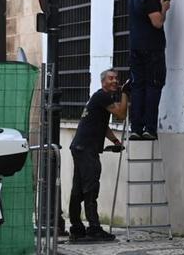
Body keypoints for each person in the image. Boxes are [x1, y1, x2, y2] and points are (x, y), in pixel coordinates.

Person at [68, 69, 129, 242]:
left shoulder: (100, 98)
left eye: (116, 79)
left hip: (80, 147)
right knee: (90, 188)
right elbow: (121, 114)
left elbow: (103, 125)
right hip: (86, 149)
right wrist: (125, 94)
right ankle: (94, 228)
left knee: (78, 190)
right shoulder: (103, 96)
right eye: (111, 78)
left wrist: (115, 141)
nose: (115, 81)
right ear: (103, 81)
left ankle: (76, 228)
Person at [127, 0, 170, 140]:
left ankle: (136, 128)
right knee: (153, 87)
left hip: (135, 47)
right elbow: (158, 23)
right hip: (152, 49)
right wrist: (164, 9)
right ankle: (149, 129)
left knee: (138, 88)